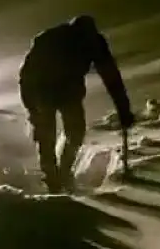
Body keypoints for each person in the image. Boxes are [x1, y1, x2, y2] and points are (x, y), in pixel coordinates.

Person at [18, 15, 135, 193]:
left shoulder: (95, 44)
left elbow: (111, 76)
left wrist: (123, 108)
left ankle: (64, 172)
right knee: (46, 136)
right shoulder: (50, 40)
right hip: (42, 91)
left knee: (75, 132)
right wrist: (31, 107)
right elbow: (26, 76)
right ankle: (52, 180)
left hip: (70, 92)